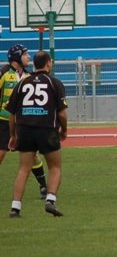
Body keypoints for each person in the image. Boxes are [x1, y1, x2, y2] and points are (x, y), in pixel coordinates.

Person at [6, 51, 67, 218]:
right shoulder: (54, 83)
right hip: (46, 128)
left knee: (23, 169)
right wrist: (64, 130)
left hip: (24, 129)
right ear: (48, 63)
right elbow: (62, 114)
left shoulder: (22, 83)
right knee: (55, 167)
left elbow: (12, 114)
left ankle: (15, 207)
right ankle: (50, 200)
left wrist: (13, 135)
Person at [1, 45, 48, 199]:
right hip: (3, 121)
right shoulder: (4, 73)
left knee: (32, 156)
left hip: (22, 122)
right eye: (25, 54)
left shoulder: (29, 76)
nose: (28, 57)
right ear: (16, 57)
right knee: (1, 153)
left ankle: (43, 185)